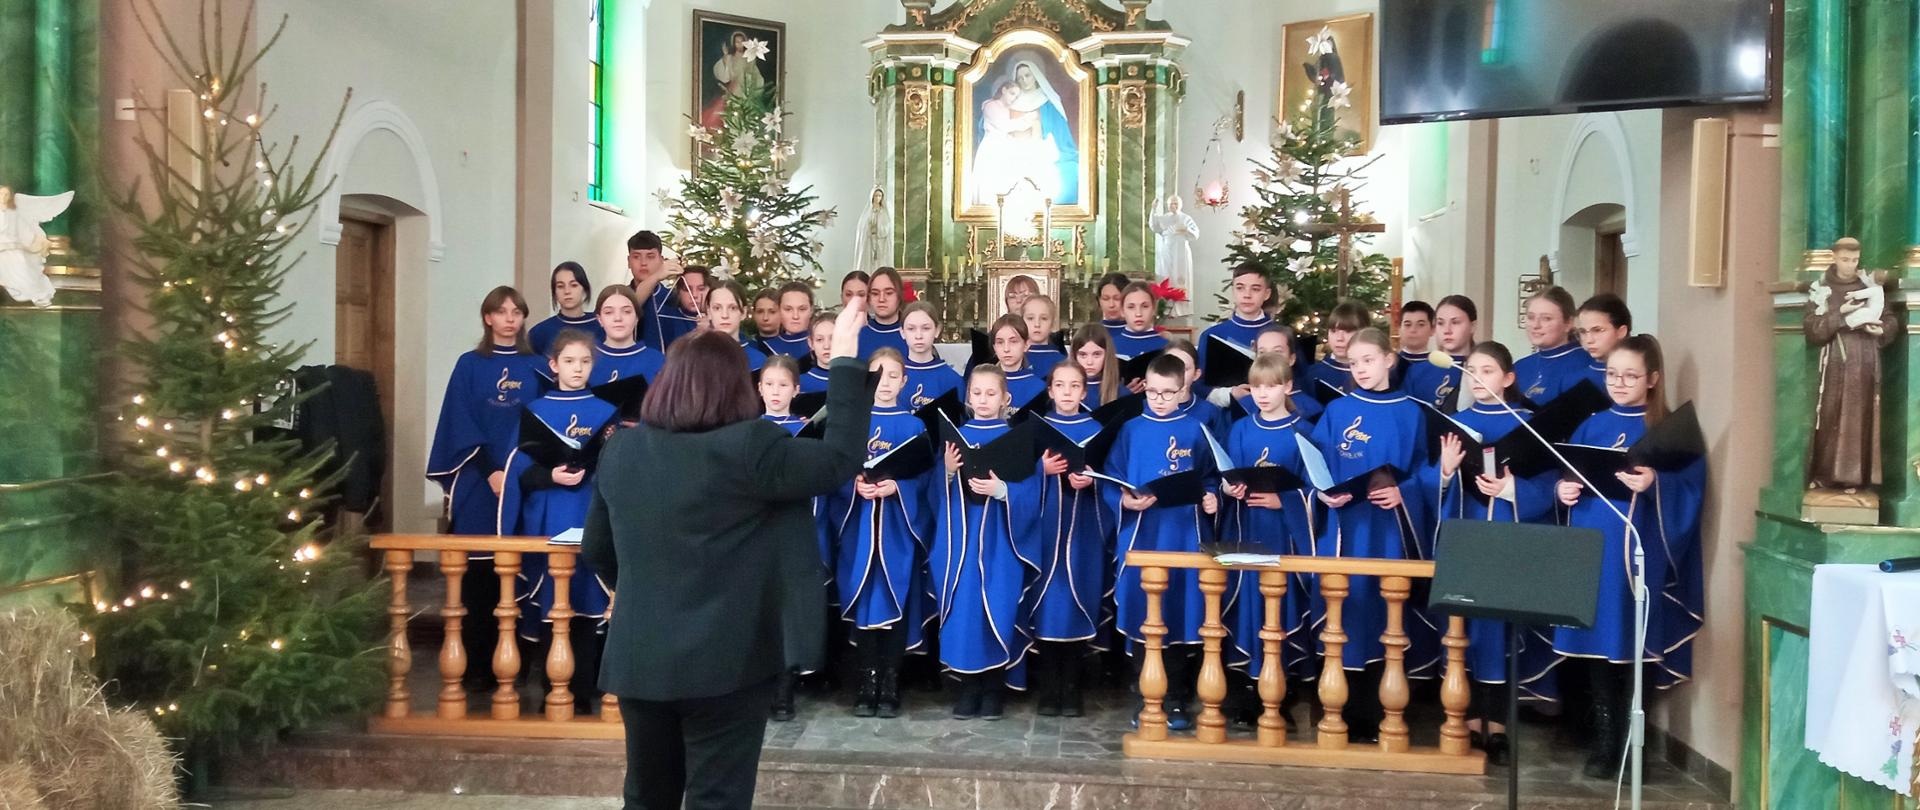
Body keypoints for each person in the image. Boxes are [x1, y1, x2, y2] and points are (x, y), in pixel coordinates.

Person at [582, 301, 872, 810]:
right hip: (728, 660)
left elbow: (598, 550)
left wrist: (647, 594)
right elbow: (838, 461)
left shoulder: (622, 450)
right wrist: (845, 360)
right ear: (736, 387)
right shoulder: (751, 446)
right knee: (717, 799)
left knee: (646, 798)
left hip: (641, 655)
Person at [1551, 334, 1703, 779]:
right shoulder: (1591, 424)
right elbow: (1570, 477)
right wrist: (1564, 490)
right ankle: (1605, 743)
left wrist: (1656, 482)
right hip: (1594, 549)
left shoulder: (1670, 431)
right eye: (1612, 374)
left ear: (1652, 379)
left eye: (1630, 376)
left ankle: (1632, 749)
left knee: (1633, 646)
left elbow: (1692, 490)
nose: (1618, 383)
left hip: (1639, 553)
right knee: (1598, 648)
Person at [1427, 341, 1560, 765]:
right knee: (1466, 630)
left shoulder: (1530, 425)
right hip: (1466, 538)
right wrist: (1445, 471)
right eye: (1471, 371)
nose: (1477, 379)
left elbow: (1551, 485)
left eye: (1487, 371)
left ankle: (1499, 726)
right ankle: (1464, 721)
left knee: (1502, 631)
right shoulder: (1456, 423)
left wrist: (1510, 488)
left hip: (1510, 540)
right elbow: (1427, 484)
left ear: (1508, 378)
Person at [1307, 327, 1431, 741]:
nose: (1360, 369)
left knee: (1382, 613)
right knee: (1344, 611)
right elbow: (1314, 467)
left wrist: (1403, 493)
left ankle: (1380, 713)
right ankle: (1337, 710)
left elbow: (1424, 473)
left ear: (1389, 359)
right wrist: (1322, 494)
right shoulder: (1337, 411)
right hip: (1344, 529)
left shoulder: (1412, 413)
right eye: (1353, 362)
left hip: (1388, 530)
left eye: (1368, 360)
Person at [426, 286, 548, 692]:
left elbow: (543, 422)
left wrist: (516, 472)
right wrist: (491, 470)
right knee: (479, 576)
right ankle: (476, 666)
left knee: (517, 573)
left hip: (522, 480)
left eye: (517, 312)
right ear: (488, 318)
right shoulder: (470, 365)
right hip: (478, 481)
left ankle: (515, 664)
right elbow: (459, 421)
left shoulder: (537, 366)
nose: (510, 319)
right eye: (502, 311)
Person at [497, 330, 618, 709]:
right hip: (548, 519)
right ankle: (554, 689)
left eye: (584, 361)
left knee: (588, 601)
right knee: (554, 603)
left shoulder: (607, 412)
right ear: (553, 365)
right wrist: (550, 475)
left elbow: (619, 470)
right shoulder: (535, 411)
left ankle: (583, 691)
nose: (577, 368)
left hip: (591, 514)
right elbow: (517, 474)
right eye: (569, 361)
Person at [1104, 353, 1222, 731]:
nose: (1158, 399)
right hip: (1144, 533)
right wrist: (1124, 500)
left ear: (1182, 389)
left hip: (1184, 534)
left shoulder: (1196, 429)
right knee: (1144, 613)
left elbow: (1211, 476)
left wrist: (1211, 497)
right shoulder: (1130, 430)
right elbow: (1111, 478)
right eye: (1152, 392)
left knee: (1181, 612)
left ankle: (1176, 699)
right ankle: (1146, 696)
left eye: (1167, 393)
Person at [830, 348, 937, 719]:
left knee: (897, 601)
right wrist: (853, 485)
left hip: (897, 532)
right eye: (878, 375)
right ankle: (866, 680)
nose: (885, 383)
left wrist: (898, 488)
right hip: (859, 528)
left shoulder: (914, 426)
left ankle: (891, 682)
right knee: (864, 601)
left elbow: (927, 481)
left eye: (893, 376)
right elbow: (834, 471)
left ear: (904, 381)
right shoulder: (852, 424)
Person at [934, 364, 1042, 719]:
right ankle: (968, 689)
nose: (983, 399)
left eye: (991, 393)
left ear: (1005, 398)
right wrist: (948, 471)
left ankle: (994, 690)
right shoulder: (957, 437)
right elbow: (935, 495)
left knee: (999, 608)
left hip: (1002, 542)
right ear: (967, 397)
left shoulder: (1017, 439)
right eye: (976, 393)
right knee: (965, 612)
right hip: (963, 543)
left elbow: (1031, 494)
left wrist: (1002, 490)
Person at [1219, 353, 1319, 724]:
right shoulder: (1240, 429)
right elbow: (1226, 474)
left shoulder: (1303, 431)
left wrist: (1285, 500)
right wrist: (1228, 489)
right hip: (1245, 530)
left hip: (1283, 534)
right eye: (1256, 386)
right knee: (1247, 607)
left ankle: (1282, 694)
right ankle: (1246, 693)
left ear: (1288, 387)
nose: (1262, 394)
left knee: (1280, 607)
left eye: (1271, 386)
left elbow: (1317, 487)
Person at [1026, 362, 1110, 717]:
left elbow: (1111, 478)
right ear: (1050, 391)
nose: (1066, 392)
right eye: (1059, 385)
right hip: (1045, 532)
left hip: (1083, 535)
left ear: (1084, 391)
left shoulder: (1096, 429)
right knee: (1047, 605)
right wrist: (1041, 471)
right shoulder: (1035, 429)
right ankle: (1048, 690)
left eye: (1074, 386)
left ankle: (1072, 690)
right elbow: (1016, 480)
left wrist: (1092, 480)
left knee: (1078, 602)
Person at [1804, 237, 1898, 493]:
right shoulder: (1822, 288)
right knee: (1830, 415)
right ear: (1834, 257)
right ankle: (1824, 475)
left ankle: (1854, 479)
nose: (1850, 265)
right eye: (1845, 260)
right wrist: (1841, 314)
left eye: (1855, 260)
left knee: (1859, 417)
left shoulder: (1867, 285)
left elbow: (1890, 319)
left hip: (1865, 359)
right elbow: (1813, 329)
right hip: (1835, 360)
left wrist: (1882, 330)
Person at [626, 230, 706, 351]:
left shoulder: (674, 299)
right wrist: (656, 276)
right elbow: (629, 309)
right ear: (628, 261)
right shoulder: (616, 297)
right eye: (636, 257)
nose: (643, 263)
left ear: (662, 260)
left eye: (650, 257)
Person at [1513, 286, 1587, 405]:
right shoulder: (1519, 367)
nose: (1536, 325)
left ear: (1569, 323)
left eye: (1546, 318)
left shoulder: (1586, 366)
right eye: (1531, 317)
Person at [1401, 295, 1477, 410]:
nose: (1447, 330)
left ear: (1472, 326)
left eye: (1455, 322)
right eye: (1441, 323)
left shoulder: (1483, 371)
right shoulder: (1417, 372)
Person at [1197, 264, 1274, 373]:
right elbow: (1199, 380)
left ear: (1267, 294)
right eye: (1240, 288)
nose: (1247, 295)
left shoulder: (1282, 335)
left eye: (1255, 289)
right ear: (1233, 291)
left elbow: (1297, 379)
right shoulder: (1212, 335)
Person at [589, 287, 666, 387]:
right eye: (609, 312)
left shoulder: (657, 360)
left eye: (626, 311)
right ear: (600, 320)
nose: (618, 318)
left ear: (636, 318)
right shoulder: (586, 358)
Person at [529, 261, 604, 355]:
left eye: (574, 285)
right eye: (560, 286)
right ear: (554, 293)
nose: (567, 291)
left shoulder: (602, 326)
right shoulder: (539, 333)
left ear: (585, 289)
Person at [900, 301, 962, 409]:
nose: (918, 336)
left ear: (937, 330)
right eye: (911, 329)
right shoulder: (892, 376)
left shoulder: (952, 379)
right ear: (902, 332)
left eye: (926, 328)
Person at [1304, 301, 1370, 395]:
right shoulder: (1312, 373)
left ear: (1364, 333)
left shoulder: (1376, 374)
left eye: (1348, 331)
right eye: (1333, 331)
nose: (1339, 338)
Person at [1573, 293, 1633, 393]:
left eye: (1598, 330)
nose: (1589, 340)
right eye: (1582, 332)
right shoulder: (1573, 381)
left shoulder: (1637, 378)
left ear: (1621, 332)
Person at [705, 281, 768, 373]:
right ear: (709, 312)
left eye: (733, 308)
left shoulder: (758, 361)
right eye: (717, 308)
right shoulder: (696, 357)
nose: (725, 315)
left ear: (743, 313)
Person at [1150, 195, 1198, 316]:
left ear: (1180, 204)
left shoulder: (1186, 218)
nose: (1173, 206)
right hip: (1167, 250)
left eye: (1176, 203)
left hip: (1181, 251)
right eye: (1171, 203)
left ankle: (1182, 309)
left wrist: (1186, 229)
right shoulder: (1165, 218)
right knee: (1167, 277)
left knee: (1181, 278)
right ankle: (1166, 308)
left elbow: (1195, 234)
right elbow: (1154, 226)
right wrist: (1153, 209)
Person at [986, 313, 1046, 408]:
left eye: (1013, 341)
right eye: (1000, 342)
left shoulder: (1039, 388)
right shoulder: (982, 383)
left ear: (1026, 345)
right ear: (994, 347)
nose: (1006, 349)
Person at [858, 267, 910, 358]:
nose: (881, 299)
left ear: (900, 295)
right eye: (875, 293)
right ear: (869, 297)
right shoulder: (858, 336)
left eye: (889, 293)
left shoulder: (913, 335)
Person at [1112, 281, 1169, 361]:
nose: (1138, 313)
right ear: (1122, 311)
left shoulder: (1167, 348)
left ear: (1154, 309)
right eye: (1131, 307)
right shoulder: (1109, 346)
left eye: (1145, 306)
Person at [1070, 324, 1122, 407]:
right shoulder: (1061, 392)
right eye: (1083, 355)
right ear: (1074, 356)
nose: (1089, 362)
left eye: (1096, 354)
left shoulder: (1122, 393)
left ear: (1107, 355)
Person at [758, 355, 807, 435]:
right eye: (769, 384)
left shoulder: (804, 430)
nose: (775, 392)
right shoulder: (749, 430)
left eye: (783, 385)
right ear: (760, 388)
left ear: (795, 390)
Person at [766, 281, 817, 359]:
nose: (795, 316)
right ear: (778, 310)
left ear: (811, 311)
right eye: (788, 309)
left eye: (802, 309)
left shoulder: (825, 346)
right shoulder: (766, 348)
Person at [1391, 300, 1435, 388]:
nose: (1413, 330)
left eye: (1421, 324)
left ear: (1432, 330)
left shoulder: (1439, 367)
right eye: (1408, 325)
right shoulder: (1389, 364)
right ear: (1399, 329)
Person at [852, 187, 894, 275]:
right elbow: (862, 227)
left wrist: (879, 229)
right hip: (869, 242)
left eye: (879, 196)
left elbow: (886, 227)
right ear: (872, 197)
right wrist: (869, 229)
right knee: (869, 263)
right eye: (875, 196)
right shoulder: (868, 212)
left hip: (881, 243)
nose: (877, 198)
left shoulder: (884, 212)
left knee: (880, 263)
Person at [1021, 294, 1066, 374]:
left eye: (1044, 318)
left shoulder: (1062, 362)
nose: (1037, 324)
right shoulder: (1014, 357)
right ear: (1021, 321)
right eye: (1030, 318)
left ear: (1052, 323)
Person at [798, 313, 835, 394]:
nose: (826, 346)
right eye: (819, 339)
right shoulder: (799, 384)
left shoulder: (856, 381)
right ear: (811, 343)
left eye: (833, 338)